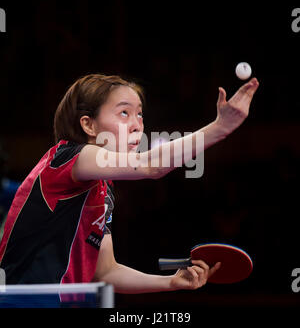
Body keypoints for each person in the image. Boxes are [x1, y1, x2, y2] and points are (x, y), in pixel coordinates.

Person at [0, 74, 259, 293]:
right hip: (23, 300)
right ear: (89, 124)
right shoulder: (68, 157)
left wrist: (170, 281)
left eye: (140, 115)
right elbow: (151, 165)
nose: (137, 125)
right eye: (124, 113)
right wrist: (220, 127)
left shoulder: (103, 188)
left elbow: (106, 271)